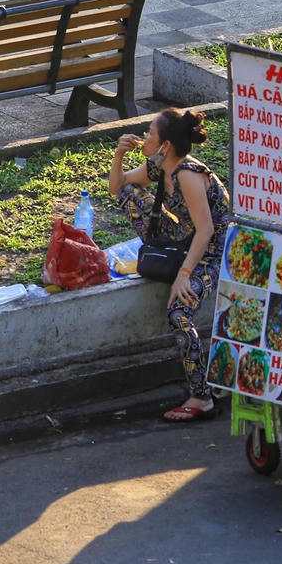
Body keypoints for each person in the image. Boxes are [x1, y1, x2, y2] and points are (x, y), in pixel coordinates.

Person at [110, 109, 231, 421]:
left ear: (165, 145)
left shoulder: (189, 175)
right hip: (185, 242)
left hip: (216, 253)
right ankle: (160, 252)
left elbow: (207, 231)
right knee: (128, 192)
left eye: (151, 133)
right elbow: (117, 186)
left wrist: (184, 275)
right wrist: (119, 155)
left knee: (178, 312)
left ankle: (201, 396)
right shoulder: (159, 167)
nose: (145, 137)